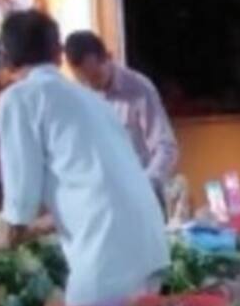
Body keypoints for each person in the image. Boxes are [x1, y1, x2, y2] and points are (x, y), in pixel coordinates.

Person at [0, 11, 169, 306]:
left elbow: (21, 202)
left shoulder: (19, 98)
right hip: (149, 247)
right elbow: (91, 187)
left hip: (108, 257)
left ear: (6, 59)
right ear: (58, 55)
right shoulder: (91, 100)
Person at [63, 30, 180, 207]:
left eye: (95, 77)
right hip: (99, 200)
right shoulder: (78, 93)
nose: (91, 85)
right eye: (84, 80)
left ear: (108, 57)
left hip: (142, 198)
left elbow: (166, 148)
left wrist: (143, 185)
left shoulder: (139, 89)